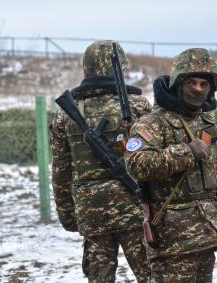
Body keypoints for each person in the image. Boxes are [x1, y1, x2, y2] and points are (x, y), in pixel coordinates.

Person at [124, 48, 217, 283]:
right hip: (171, 244)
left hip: (207, 236)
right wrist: (186, 152)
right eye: (191, 82)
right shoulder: (152, 123)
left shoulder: (206, 123)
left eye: (204, 84)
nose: (198, 89)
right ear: (178, 83)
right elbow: (136, 164)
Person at [50, 40, 151, 283]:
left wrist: (69, 216)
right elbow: (152, 162)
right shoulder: (138, 106)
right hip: (135, 210)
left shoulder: (65, 115)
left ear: (87, 68)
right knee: (151, 275)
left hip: (91, 212)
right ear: (122, 67)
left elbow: (61, 173)